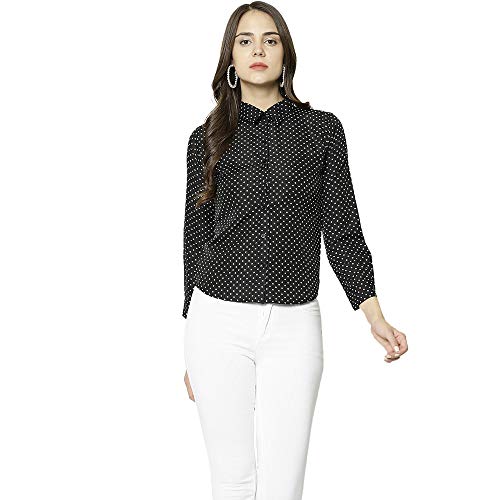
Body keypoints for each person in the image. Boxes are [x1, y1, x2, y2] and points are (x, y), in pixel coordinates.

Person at [181, 2, 408, 499]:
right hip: (216, 323)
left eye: (270, 39)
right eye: (245, 41)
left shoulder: (322, 130)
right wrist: (191, 343)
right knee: (232, 479)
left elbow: (342, 227)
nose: (258, 49)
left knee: (284, 485)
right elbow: (194, 238)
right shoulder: (206, 137)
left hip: (294, 322)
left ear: (286, 53)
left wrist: (374, 315)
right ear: (230, 57)